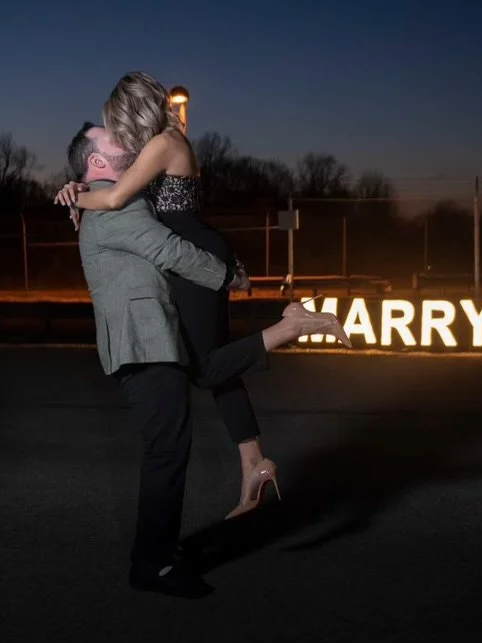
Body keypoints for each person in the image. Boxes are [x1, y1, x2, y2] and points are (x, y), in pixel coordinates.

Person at [68, 122, 346, 597]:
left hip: (153, 341)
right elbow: (168, 248)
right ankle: (152, 564)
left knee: (173, 442)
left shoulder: (116, 196)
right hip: (142, 345)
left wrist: (74, 193)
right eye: (112, 137)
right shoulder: (113, 208)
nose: (124, 136)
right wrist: (229, 277)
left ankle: (160, 549)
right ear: (96, 163)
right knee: (167, 450)